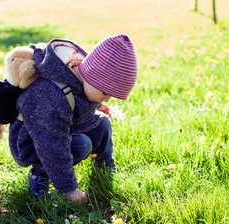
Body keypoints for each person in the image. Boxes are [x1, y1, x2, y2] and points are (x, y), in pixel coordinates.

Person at [8, 34, 138, 204]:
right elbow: (50, 142)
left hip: (61, 126)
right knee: (81, 144)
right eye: (105, 93)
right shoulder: (50, 95)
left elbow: (77, 96)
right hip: (32, 139)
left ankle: (104, 165)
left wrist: (96, 105)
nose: (106, 99)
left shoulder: (80, 74)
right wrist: (69, 189)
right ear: (92, 75)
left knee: (102, 122)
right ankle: (39, 175)